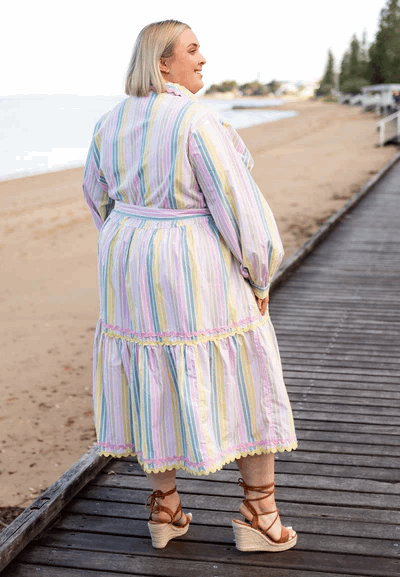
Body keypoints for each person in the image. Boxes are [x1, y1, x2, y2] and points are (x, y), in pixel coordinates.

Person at [83, 19, 297, 553]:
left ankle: (165, 508)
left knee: (151, 372)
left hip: (128, 261)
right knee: (245, 366)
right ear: (162, 63)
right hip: (190, 260)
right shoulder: (195, 122)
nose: (203, 60)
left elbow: (95, 194)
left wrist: (131, 234)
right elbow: (236, 205)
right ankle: (259, 514)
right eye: (193, 51)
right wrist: (260, 270)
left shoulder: (110, 121)